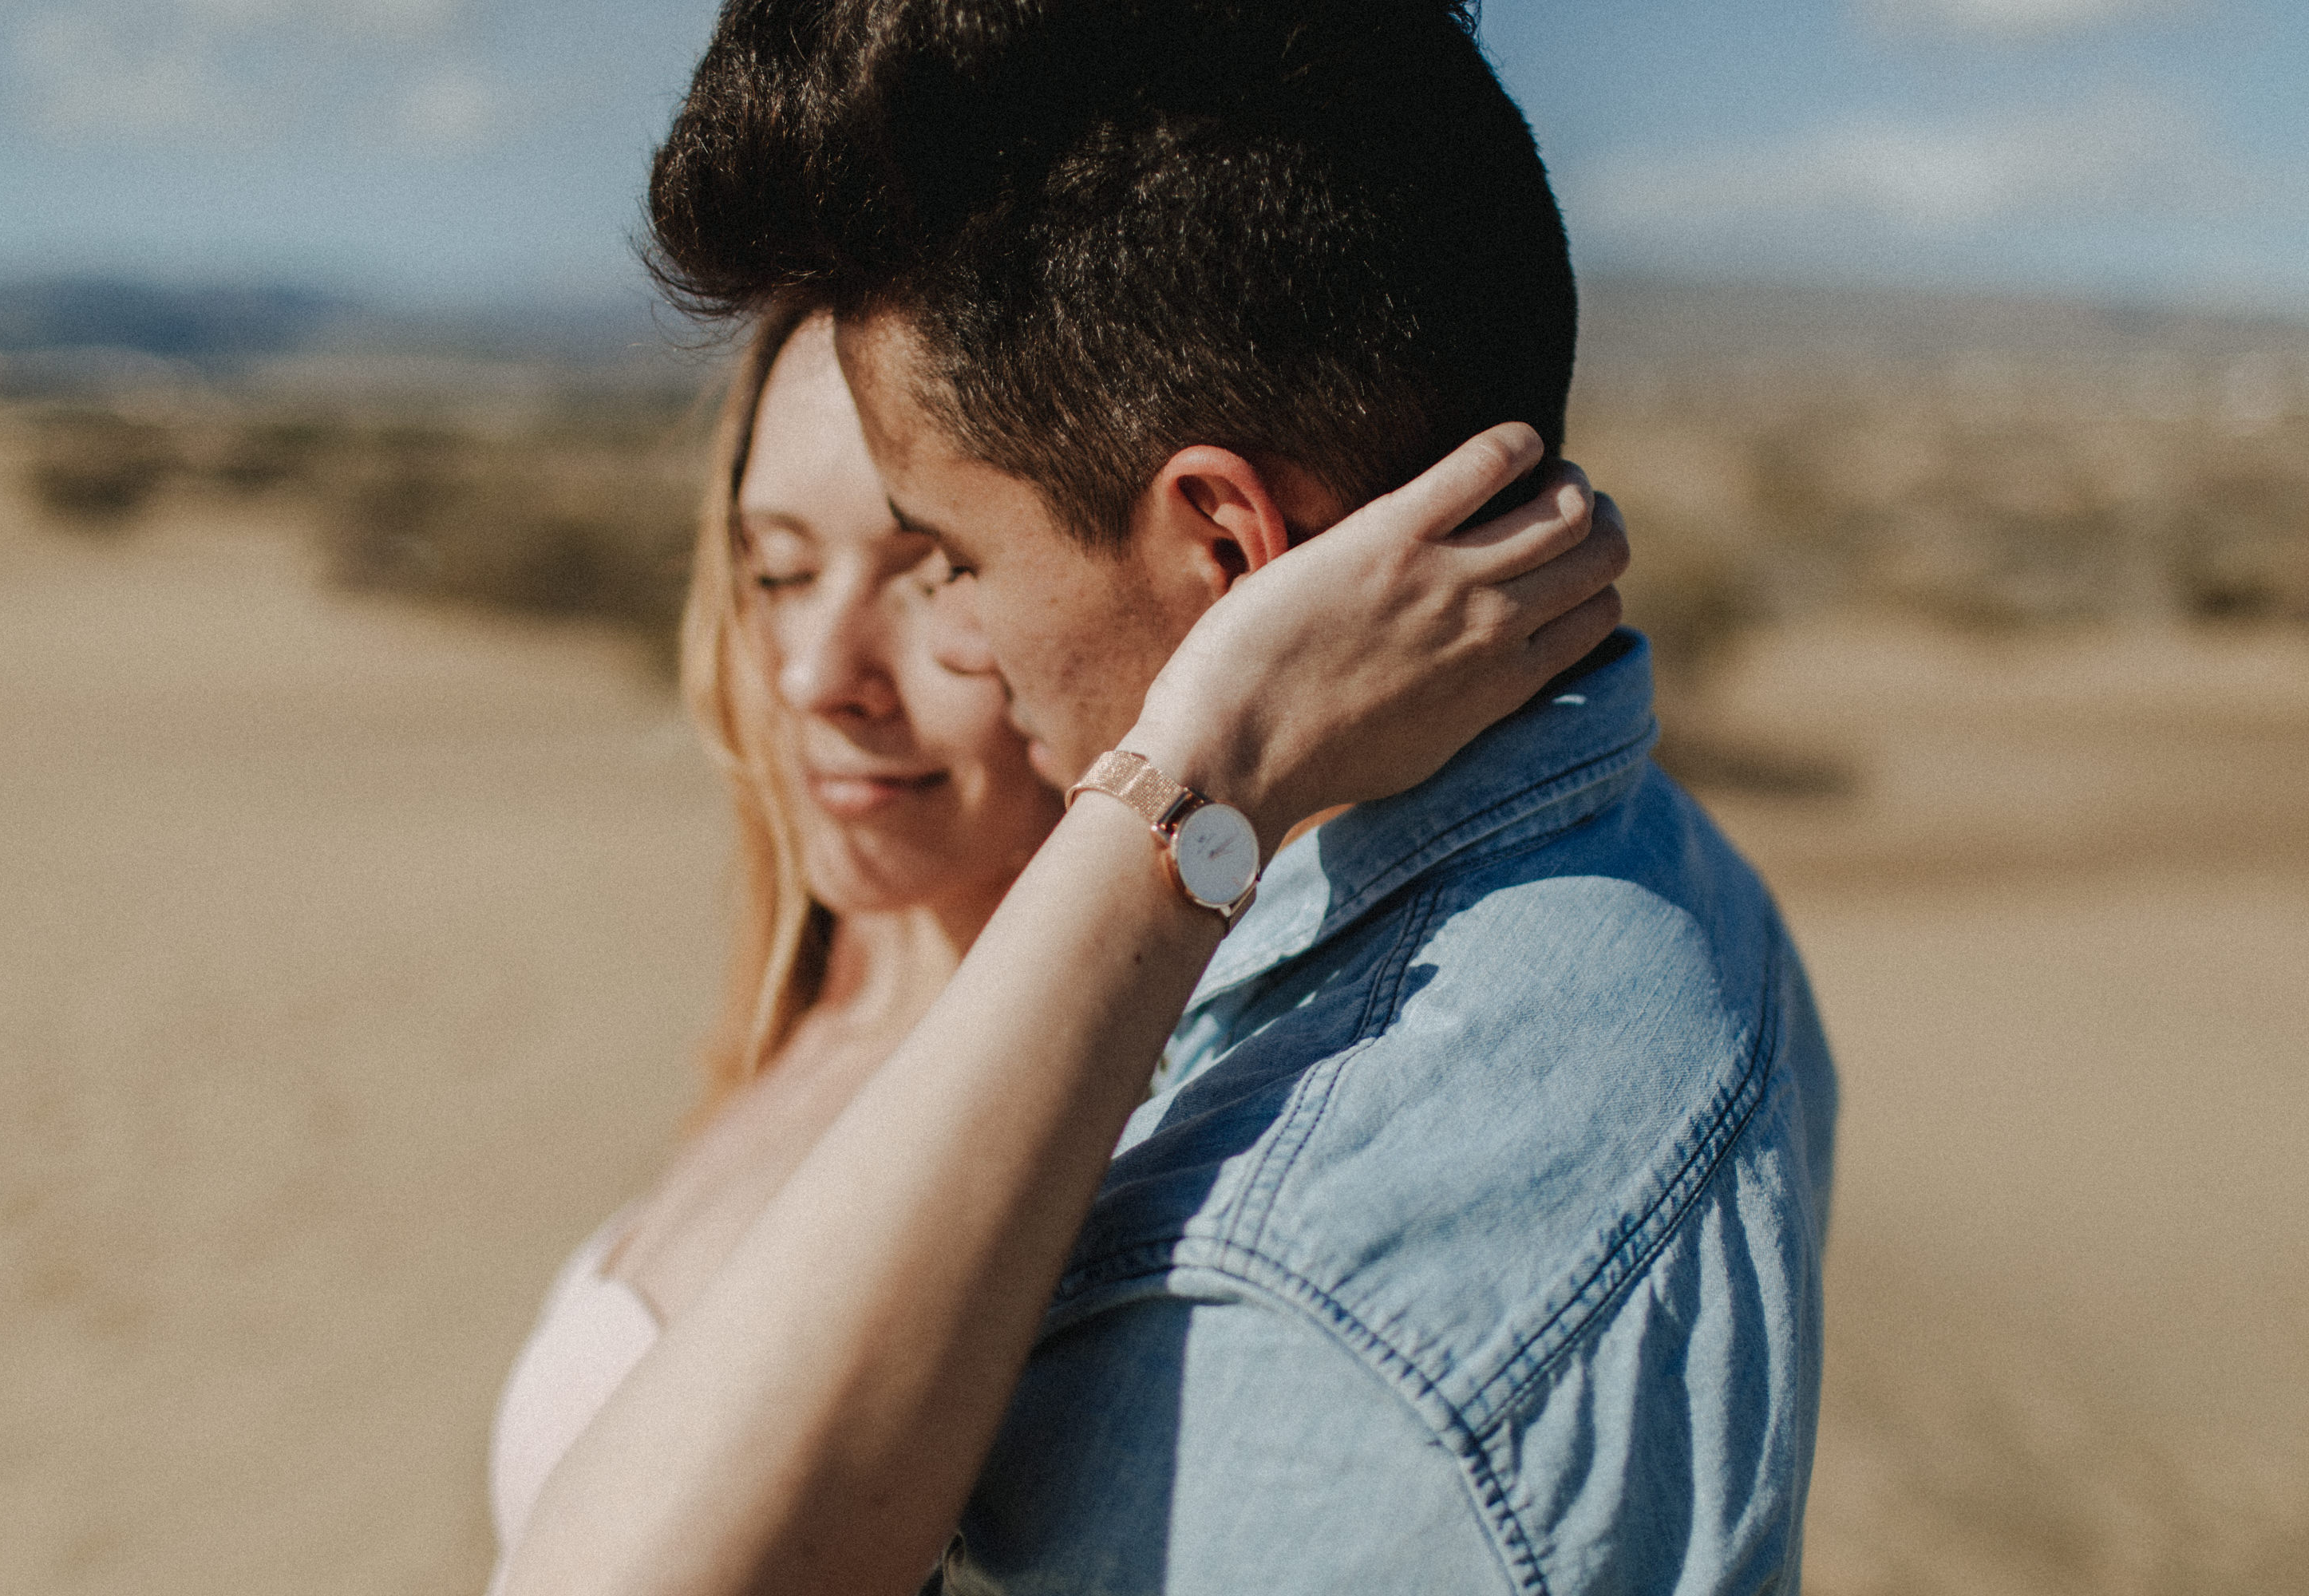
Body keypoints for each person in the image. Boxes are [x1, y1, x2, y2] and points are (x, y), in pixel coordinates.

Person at [601, 0, 1843, 1589]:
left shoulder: (1289, 1293)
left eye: (954, 559)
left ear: (1232, 550)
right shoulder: (1676, 881)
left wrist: (1192, 786)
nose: (960, 641)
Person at [488, 290, 1631, 1596]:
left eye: (939, 573)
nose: (820, 675)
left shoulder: (1112, 1121)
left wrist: (1214, 769)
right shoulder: (817, 989)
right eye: (780, 570)